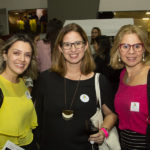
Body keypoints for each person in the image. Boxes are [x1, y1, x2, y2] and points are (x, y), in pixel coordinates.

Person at [32, 23, 117, 150]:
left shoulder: (99, 81)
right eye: (67, 44)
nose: (73, 49)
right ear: (60, 48)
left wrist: (103, 132)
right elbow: (35, 117)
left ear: (86, 45)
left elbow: (111, 114)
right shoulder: (45, 79)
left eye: (78, 43)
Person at [110, 24, 150, 150]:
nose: (131, 51)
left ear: (144, 49)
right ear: (118, 49)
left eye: (137, 46)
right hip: (125, 143)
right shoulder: (123, 75)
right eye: (125, 46)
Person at [0, 33, 38, 150]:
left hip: (29, 144)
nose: (22, 59)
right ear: (5, 55)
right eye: (16, 53)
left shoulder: (23, 83)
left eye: (27, 55)